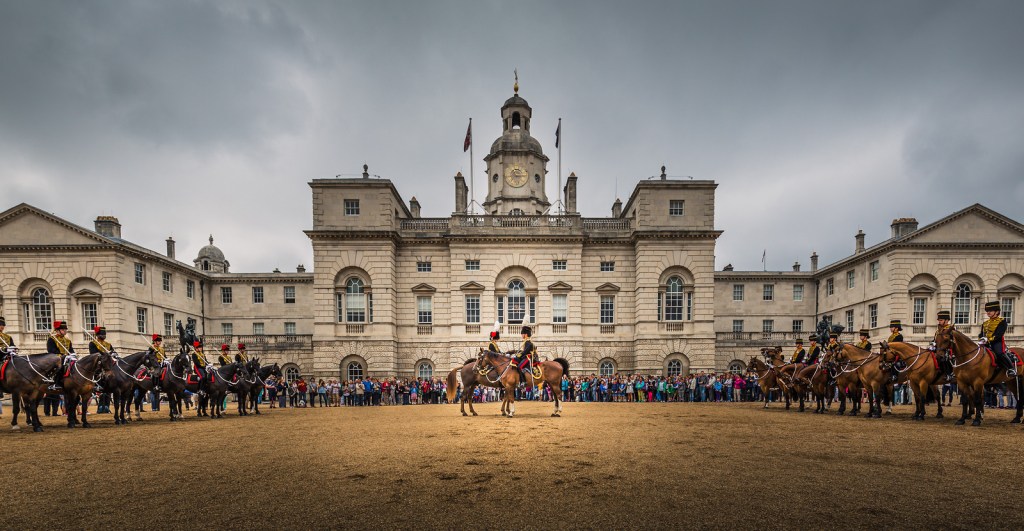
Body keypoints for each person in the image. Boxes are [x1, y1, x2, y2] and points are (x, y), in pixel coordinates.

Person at [979, 301, 1014, 375]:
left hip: (997, 342)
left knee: (999, 353)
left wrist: (989, 339)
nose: (988, 312)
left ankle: (1011, 368)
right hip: (985, 343)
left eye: (990, 311)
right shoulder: (985, 323)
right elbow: (981, 334)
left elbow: (999, 334)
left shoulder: (1002, 321)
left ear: (997, 311)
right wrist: (982, 339)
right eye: (987, 311)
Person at [47, 320, 75, 391]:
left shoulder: (68, 340)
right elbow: (51, 350)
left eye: (65, 329)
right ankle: (56, 383)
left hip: (67, 358)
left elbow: (71, 350)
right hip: (56, 358)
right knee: (61, 367)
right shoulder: (52, 339)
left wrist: (73, 354)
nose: (65, 331)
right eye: (63, 329)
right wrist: (63, 355)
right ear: (57, 330)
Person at [515, 326, 537, 390]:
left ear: (526, 334)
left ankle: (523, 382)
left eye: (522, 334)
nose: (521, 335)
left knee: (519, 367)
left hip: (529, 358)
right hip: (526, 357)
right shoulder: (526, 342)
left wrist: (518, 355)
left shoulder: (528, 342)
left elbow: (525, 352)